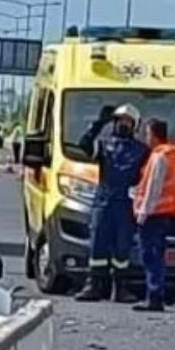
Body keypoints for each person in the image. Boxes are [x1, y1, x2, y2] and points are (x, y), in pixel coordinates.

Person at [74, 103, 149, 303]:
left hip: (125, 205)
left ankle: (120, 288)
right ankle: (93, 285)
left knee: (122, 248)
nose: (123, 124)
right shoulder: (104, 144)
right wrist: (98, 124)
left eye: (128, 121)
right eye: (120, 120)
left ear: (135, 125)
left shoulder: (142, 151)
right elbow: (83, 144)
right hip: (103, 202)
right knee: (97, 244)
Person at [132, 118, 175, 313]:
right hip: (163, 213)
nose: (146, 138)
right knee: (157, 255)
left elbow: (153, 188)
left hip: (153, 214)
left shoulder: (159, 157)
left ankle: (154, 296)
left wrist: (143, 212)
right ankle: (156, 293)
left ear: (155, 136)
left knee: (151, 256)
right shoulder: (171, 154)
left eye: (147, 134)